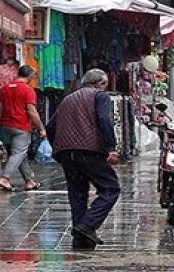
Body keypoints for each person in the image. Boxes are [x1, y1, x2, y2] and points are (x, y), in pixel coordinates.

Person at [50, 69, 121, 250]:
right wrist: (111, 148)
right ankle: (88, 224)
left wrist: (58, 146)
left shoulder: (67, 99)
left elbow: (51, 126)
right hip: (89, 150)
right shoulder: (99, 96)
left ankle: (80, 239)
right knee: (110, 188)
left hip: (66, 152)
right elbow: (104, 119)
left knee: (77, 194)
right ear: (100, 83)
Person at [0, 65, 46, 193]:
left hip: (5, 127)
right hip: (20, 126)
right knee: (18, 153)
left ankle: (29, 181)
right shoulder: (28, 90)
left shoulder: (3, 89)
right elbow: (32, 111)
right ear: (29, 76)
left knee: (19, 154)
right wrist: (41, 128)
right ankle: (5, 178)